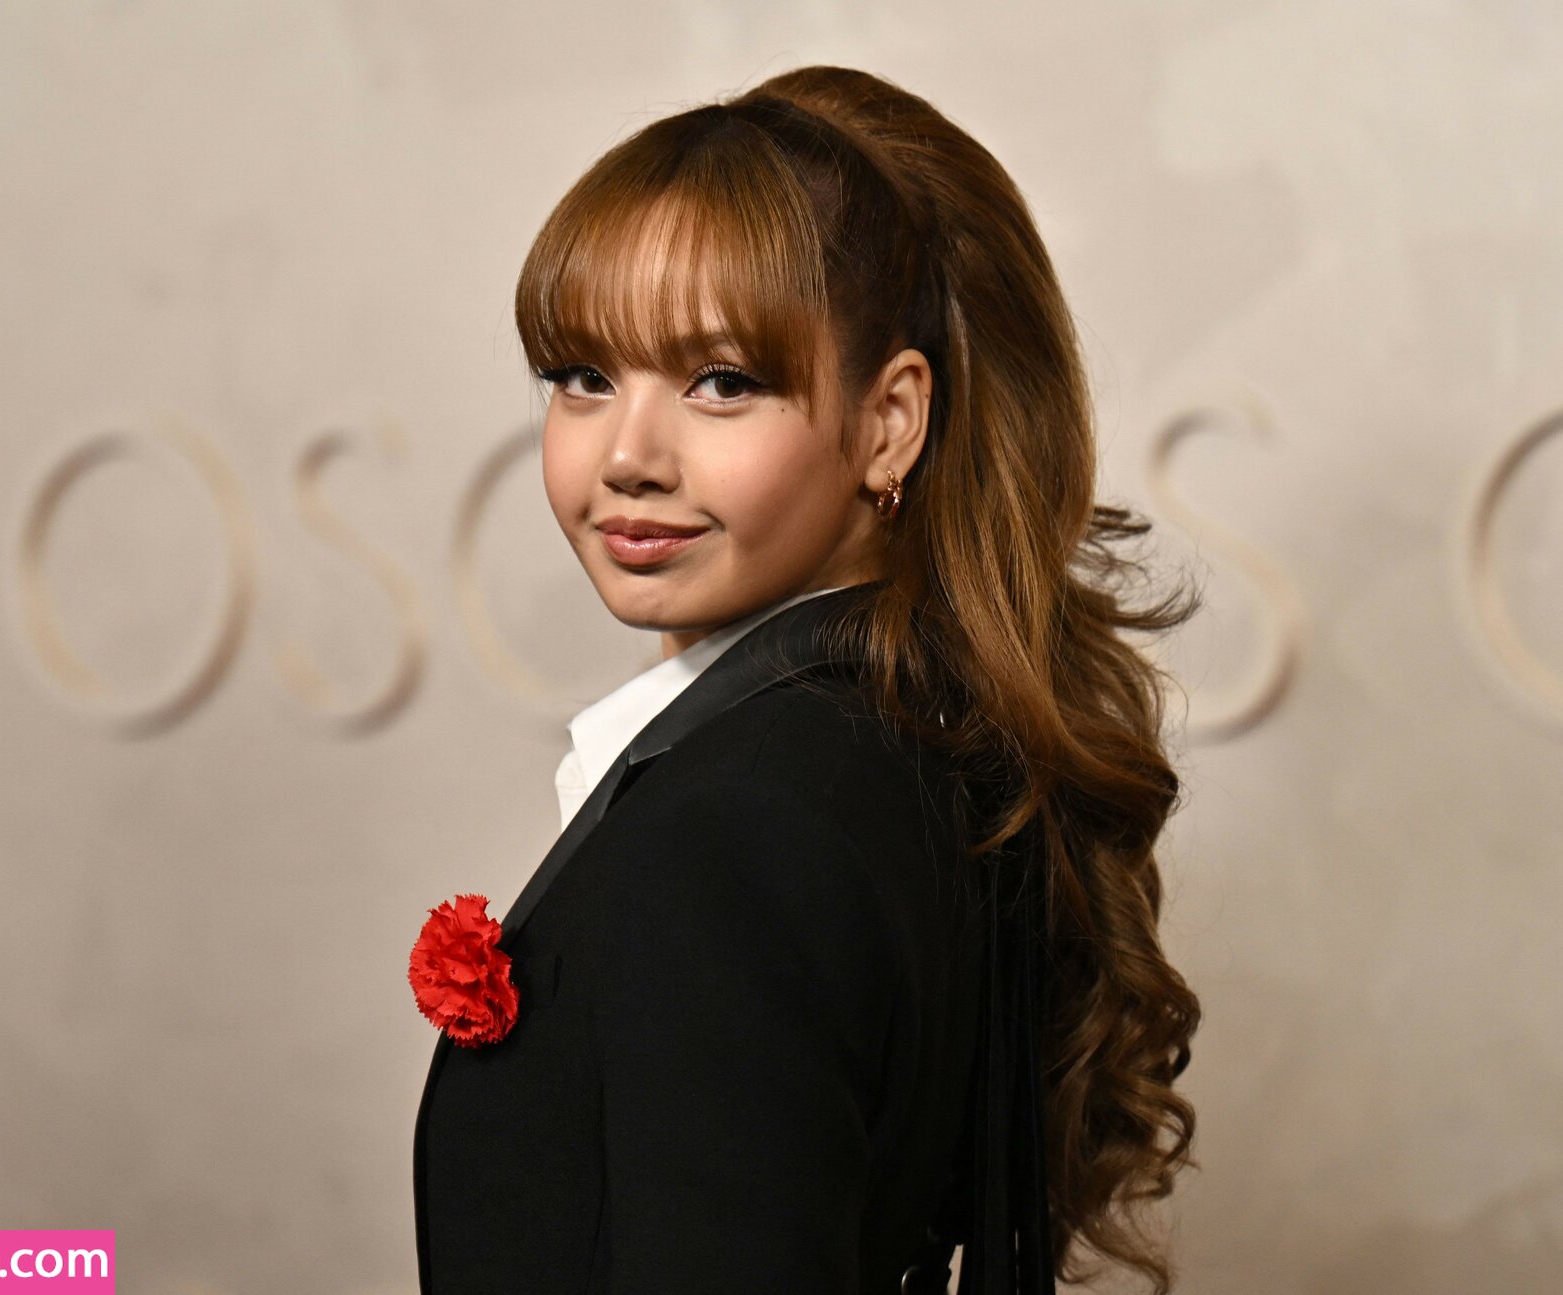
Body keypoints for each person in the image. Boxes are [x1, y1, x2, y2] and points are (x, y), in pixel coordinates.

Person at [412, 65, 1202, 1295]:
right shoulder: (923, 743)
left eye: (723, 380)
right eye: (582, 375)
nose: (628, 455)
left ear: (890, 422)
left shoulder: (741, 829)